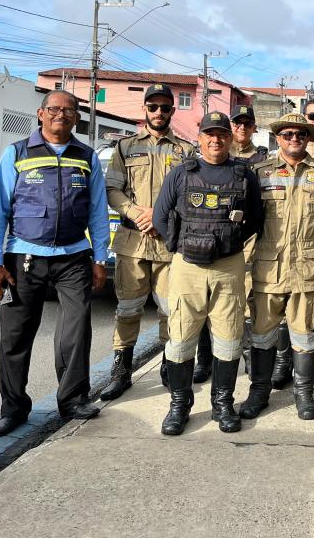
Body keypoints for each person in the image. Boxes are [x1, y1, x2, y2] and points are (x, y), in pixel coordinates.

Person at [0, 90, 109, 436]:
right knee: (15, 337)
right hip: (23, 258)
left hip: (73, 258)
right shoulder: (17, 153)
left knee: (75, 332)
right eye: (54, 109)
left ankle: (72, 400)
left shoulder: (87, 156)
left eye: (69, 111)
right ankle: (13, 409)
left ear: (77, 118)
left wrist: (100, 257)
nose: (61, 116)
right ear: (40, 114)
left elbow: (98, 211)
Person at [152, 111, 263, 435]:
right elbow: (160, 217)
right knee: (181, 340)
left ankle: (223, 404)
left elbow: (256, 219)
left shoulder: (244, 174)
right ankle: (179, 405)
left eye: (222, 134)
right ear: (199, 138)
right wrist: (182, 246)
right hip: (188, 268)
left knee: (228, 340)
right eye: (209, 134)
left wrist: (227, 244)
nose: (216, 139)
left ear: (230, 138)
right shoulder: (182, 174)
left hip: (228, 268)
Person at [240, 113, 314, 421]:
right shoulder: (259, 172)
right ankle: (259, 391)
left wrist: (308, 244)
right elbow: (248, 219)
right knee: (262, 333)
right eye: (287, 134)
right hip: (267, 268)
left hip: (308, 268)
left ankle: (303, 393)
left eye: (300, 134)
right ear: (278, 138)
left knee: (306, 332)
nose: (294, 138)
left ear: (309, 138)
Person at [100, 84, 195, 401]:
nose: (158, 112)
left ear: (172, 111)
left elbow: (191, 194)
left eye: (165, 107)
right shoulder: (125, 147)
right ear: (144, 109)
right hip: (133, 240)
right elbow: (113, 189)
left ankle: (169, 367)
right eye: (152, 107)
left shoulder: (185, 151)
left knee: (171, 311)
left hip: (169, 243)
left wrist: (162, 216)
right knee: (128, 309)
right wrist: (134, 211)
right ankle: (121, 370)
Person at [229, 104, 270, 392]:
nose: (242, 128)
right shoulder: (215, 153)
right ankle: (208, 359)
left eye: (247, 123)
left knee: (252, 299)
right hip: (221, 236)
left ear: (254, 127)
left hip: (254, 237)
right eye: (237, 123)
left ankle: (251, 358)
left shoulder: (264, 159)